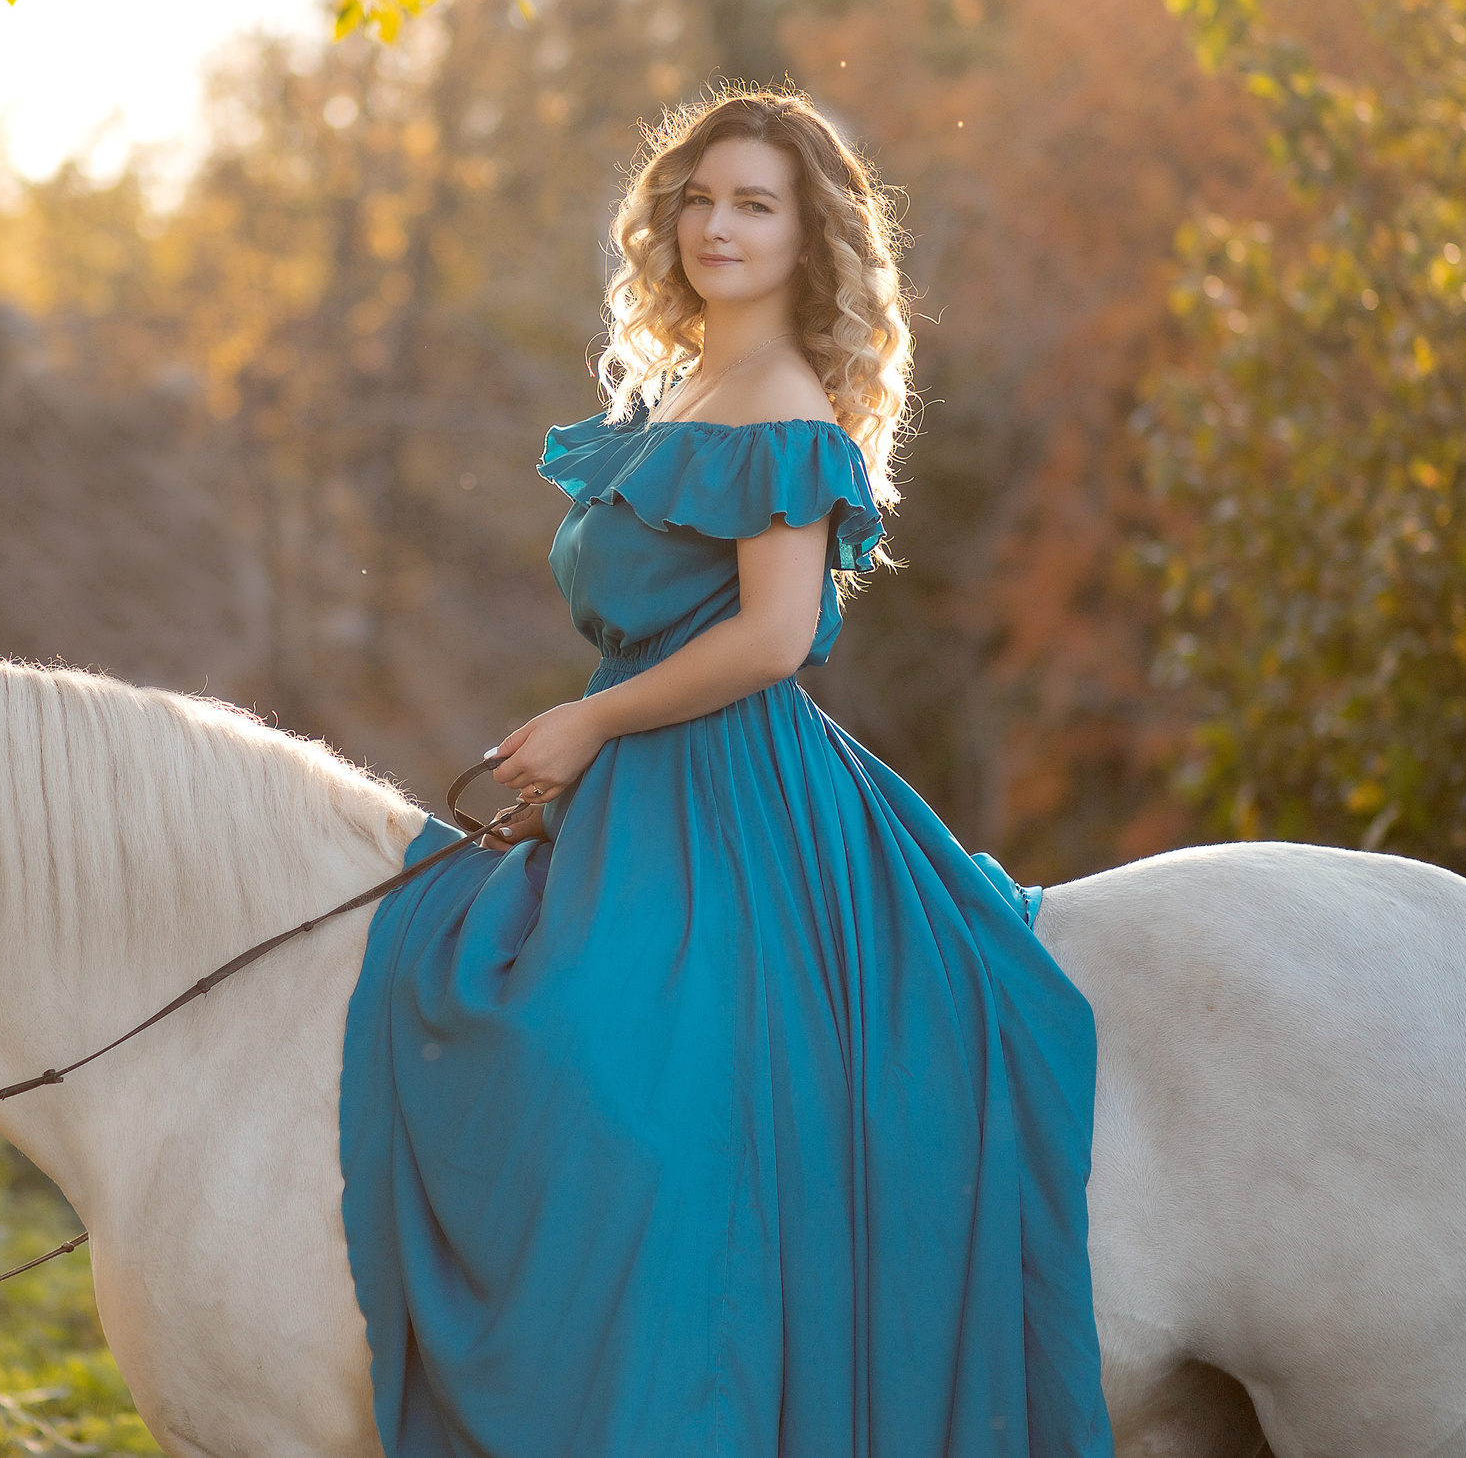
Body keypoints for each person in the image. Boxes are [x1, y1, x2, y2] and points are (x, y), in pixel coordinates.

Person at [339, 89, 1112, 1457]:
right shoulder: (676, 393)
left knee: (617, 1084)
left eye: (755, 204)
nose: (717, 227)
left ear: (812, 236)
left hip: (734, 793)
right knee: (481, 996)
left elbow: (772, 636)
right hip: (645, 781)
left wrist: (590, 726)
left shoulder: (783, 404)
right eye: (699, 199)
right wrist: (593, 748)